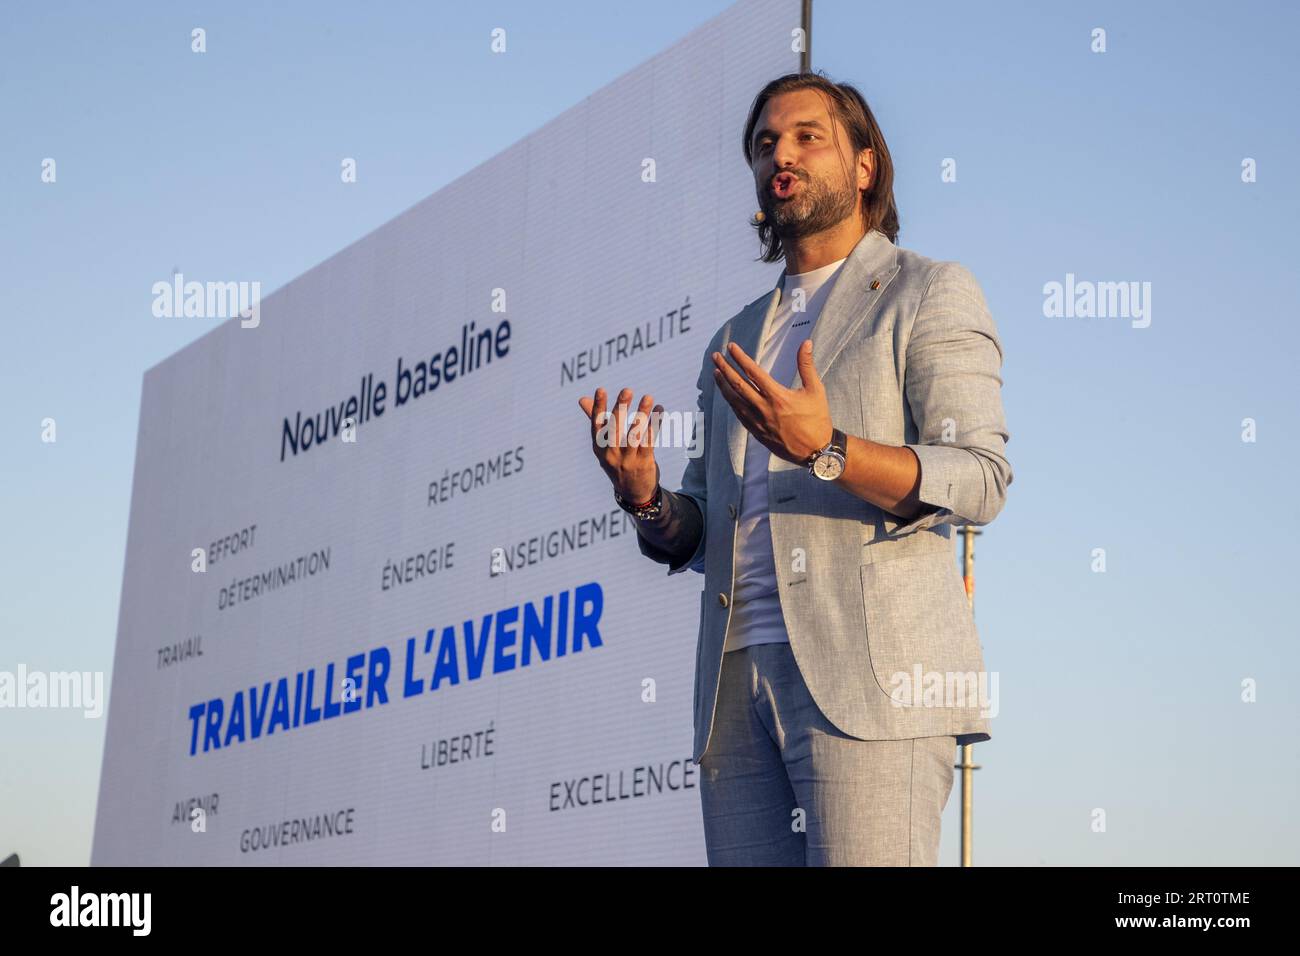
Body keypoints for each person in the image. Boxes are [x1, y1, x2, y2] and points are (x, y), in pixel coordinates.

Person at [577, 71, 1012, 866]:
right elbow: (699, 525)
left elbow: (979, 475)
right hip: (735, 689)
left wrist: (828, 449)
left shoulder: (926, 291)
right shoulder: (732, 338)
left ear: (865, 164)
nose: (783, 154)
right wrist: (645, 502)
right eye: (765, 142)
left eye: (809, 135)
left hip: (871, 683)